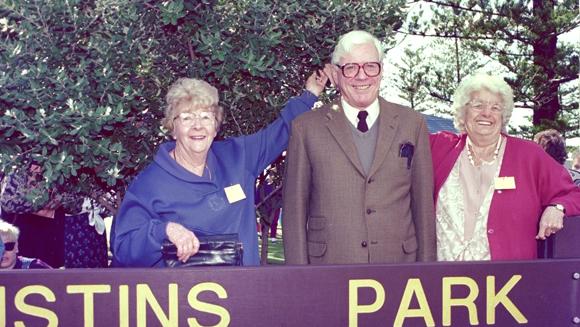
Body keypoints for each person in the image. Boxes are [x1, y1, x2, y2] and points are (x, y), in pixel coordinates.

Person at [111, 72, 328, 267]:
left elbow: (280, 132)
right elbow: (123, 248)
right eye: (187, 118)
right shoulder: (150, 183)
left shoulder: (239, 157)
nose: (198, 126)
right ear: (172, 128)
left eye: (206, 117)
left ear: (216, 126)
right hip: (185, 303)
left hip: (242, 296)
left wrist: (310, 94)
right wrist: (164, 230)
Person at [283, 30, 436, 265]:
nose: (361, 76)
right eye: (351, 68)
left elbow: (424, 209)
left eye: (370, 66)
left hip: (399, 268)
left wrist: (427, 272)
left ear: (381, 71)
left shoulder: (412, 124)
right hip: (330, 268)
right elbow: (294, 213)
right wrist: (299, 278)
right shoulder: (306, 128)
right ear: (335, 74)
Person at [430, 73, 580, 261]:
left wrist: (557, 207)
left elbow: (572, 193)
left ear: (503, 115)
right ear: (463, 111)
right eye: (478, 105)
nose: (486, 113)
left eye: (495, 107)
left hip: (508, 281)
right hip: (443, 281)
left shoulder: (529, 155)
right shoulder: (439, 147)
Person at [1, 163, 108, 268]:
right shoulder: (21, 167)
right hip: (31, 239)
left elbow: (100, 202)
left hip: (73, 236)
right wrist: (45, 201)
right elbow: (8, 202)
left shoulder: (75, 164)